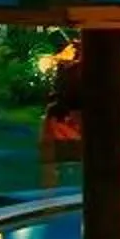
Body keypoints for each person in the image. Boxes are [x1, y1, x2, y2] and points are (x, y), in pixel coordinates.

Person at [37, 45, 84, 189]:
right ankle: (48, 193)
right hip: (62, 115)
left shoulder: (76, 68)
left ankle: (49, 191)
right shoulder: (65, 68)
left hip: (72, 114)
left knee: (50, 156)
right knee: (49, 157)